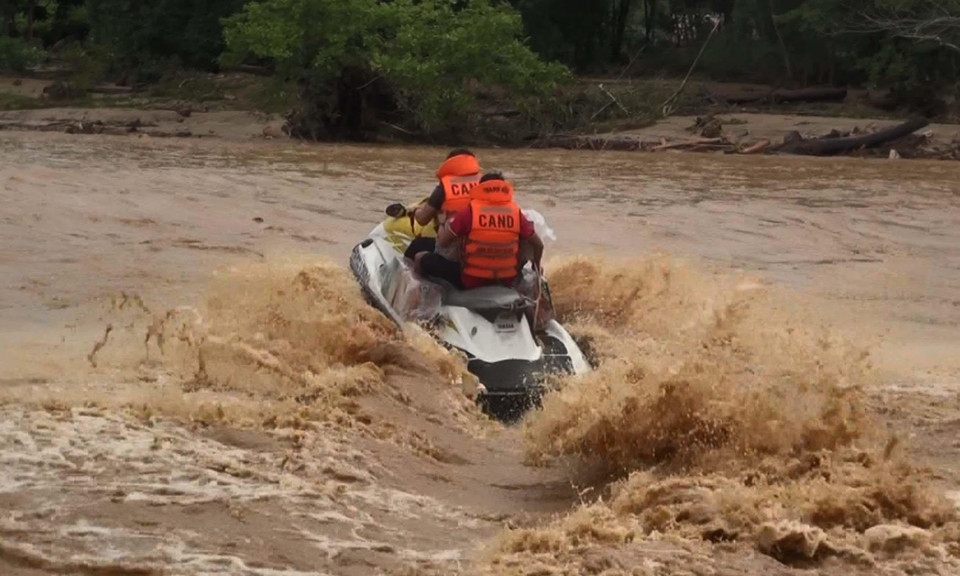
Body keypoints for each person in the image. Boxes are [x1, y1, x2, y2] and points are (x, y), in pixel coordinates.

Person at [419, 172, 543, 289]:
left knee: (421, 258)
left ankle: (421, 305)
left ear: (480, 188)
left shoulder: (469, 212)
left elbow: (443, 242)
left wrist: (441, 222)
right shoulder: (516, 213)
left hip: (471, 280)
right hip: (506, 280)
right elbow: (538, 245)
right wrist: (536, 266)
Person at [402, 149, 482, 261]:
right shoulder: (484, 182)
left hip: (454, 249)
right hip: (481, 249)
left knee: (417, 245)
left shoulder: (445, 187)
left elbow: (422, 219)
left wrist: (415, 211)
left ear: (449, 163)